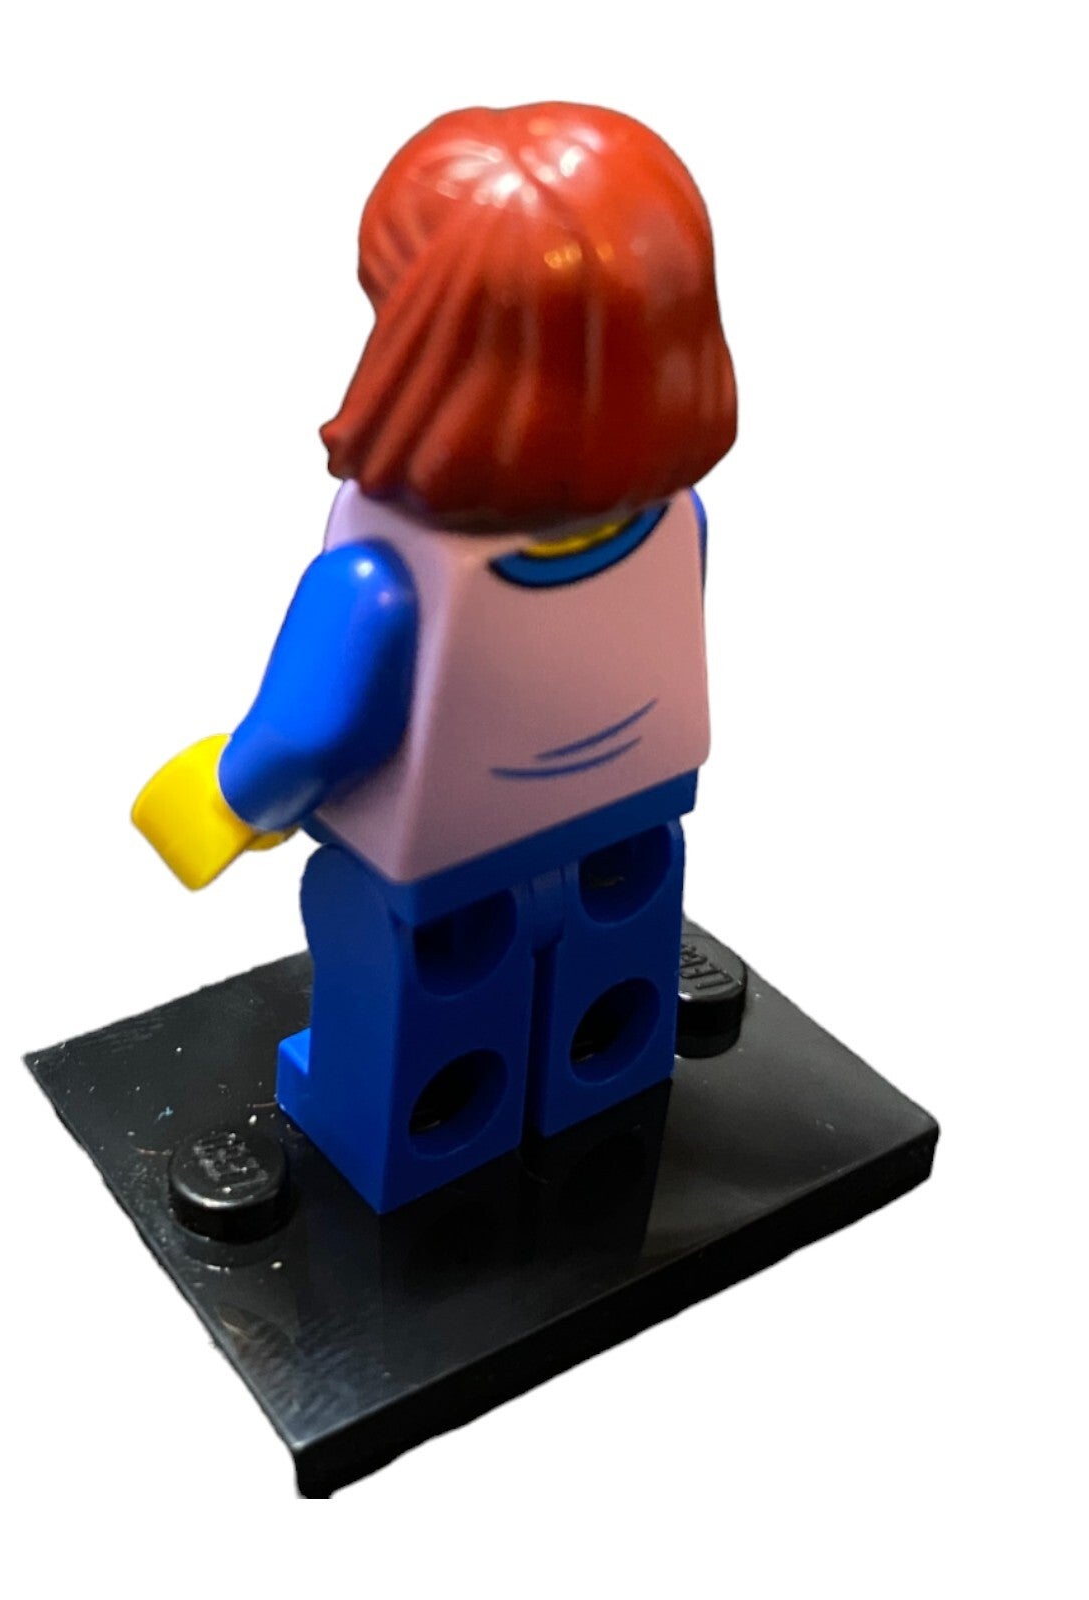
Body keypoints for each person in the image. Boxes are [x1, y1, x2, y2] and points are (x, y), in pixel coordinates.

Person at [134, 103, 737, 1211]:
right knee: (611, 949)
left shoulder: (386, 581)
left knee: (418, 979)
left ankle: (418, 1136)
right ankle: (601, 1064)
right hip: (632, 818)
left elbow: (312, 733)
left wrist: (229, 799)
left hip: (444, 861)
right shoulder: (677, 520)